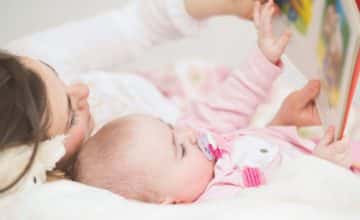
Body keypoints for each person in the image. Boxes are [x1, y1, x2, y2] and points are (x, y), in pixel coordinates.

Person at [0, 0, 320, 195]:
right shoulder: (123, 182)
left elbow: (205, 130)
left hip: (212, 103)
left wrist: (275, 126)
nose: (83, 90)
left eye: (57, 74)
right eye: (71, 116)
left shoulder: (22, 68)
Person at [72, 1, 359, 204]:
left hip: (333, 147)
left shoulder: (203, 144)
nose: (189, 134)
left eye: (170, 127)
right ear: (171, 202)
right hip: (335, 177)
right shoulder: (223, 200)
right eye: (180, 148)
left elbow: (230, 102)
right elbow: (284, 199)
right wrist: (319, 170)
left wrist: (264, 57)